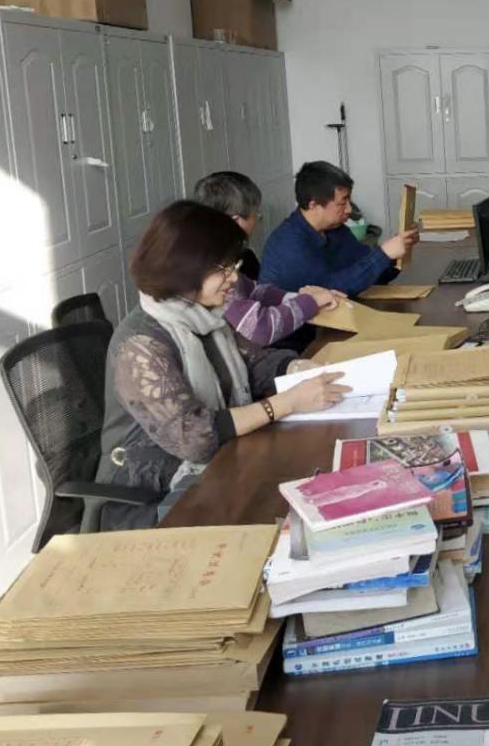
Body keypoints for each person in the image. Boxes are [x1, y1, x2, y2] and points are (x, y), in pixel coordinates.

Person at [97, 201, 351, 530]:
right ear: (185, 269)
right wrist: (285, 403)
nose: (233, 278)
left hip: (221, 464)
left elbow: (255, 363)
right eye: (223, 269)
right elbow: (193, 437)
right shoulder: (141, 344)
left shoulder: (205, 314)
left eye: (234, 266)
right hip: (157, 493)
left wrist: (299, 368)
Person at [194, 171, 345, 347]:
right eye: (255, 215)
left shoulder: (221, 257)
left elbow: (255, 291)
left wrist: (301, 297)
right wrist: (311, 302)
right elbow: (260, 328)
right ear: (236, 222)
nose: (257, 221)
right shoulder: (213, 272)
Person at [260, 161, 418, 297]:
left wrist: (397, 253)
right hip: (302, 323)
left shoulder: (335, 229)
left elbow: (368, 275)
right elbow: (332, 291)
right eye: (342, 203)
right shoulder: (289, 245)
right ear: (314, 205)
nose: (349, 209)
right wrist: (383, 254)